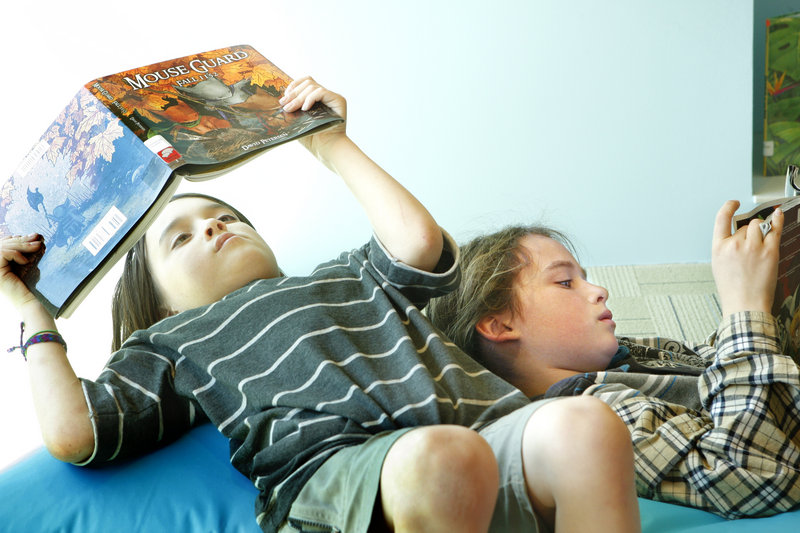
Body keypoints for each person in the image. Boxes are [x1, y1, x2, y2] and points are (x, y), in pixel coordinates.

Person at [0, 77, 642, 533]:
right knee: (445, 458)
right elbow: (73, 431)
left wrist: (329, 141)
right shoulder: (171, 342)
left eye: (223, 214)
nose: (215, 227)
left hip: (487, 437)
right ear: (158, 304)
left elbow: (418, 241)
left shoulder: (348, 273)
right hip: (346, 479)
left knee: (587, 426)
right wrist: (30, 307)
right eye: (182, 237)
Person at [427, 201, 800, 520]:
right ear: (500, 323)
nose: (599, 290)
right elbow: (754, 471)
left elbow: (721, 363)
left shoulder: (629, 354)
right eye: (564, 283)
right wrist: (743, 305)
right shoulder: (594, 418)